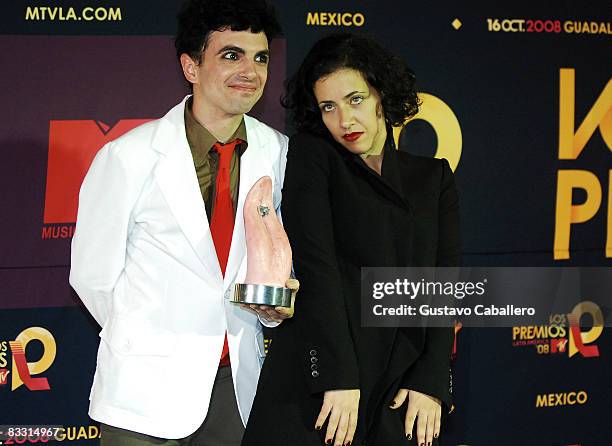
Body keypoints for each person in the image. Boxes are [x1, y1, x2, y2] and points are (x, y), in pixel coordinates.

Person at [69, 1, 292, 445]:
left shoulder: (280, 152)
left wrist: (275, 306)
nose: (250, 70)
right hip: (143, 391)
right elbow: (93, 277)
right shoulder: (127, 156)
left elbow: (279, 259)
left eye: (260, 57)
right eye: (232, 55)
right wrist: (149, 341)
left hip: (238, 388)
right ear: (191, 65)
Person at [242, 33, 460, 446]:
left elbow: (443, 285)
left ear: (382, 94)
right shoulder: (313, 158)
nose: (344, 120)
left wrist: (431, 380)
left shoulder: (433, 178)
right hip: (321, 379)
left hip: (401, 382)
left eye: (355, 99)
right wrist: (337, 376)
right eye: (329, 106)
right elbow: (317, 268)